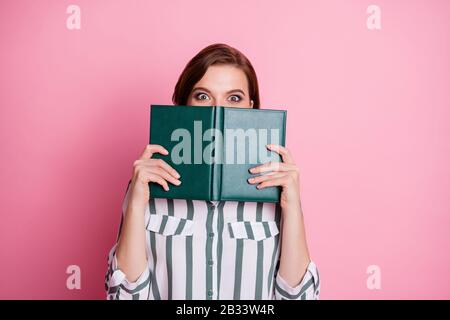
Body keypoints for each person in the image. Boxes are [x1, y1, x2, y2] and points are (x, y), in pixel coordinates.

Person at [105, 43, 320, 300]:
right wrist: (137, 204)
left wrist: (292, 206)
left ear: (251, 107)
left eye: (234, 98)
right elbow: (123, 297)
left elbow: (300, 298)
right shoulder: (148, 183)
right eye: (203, 96)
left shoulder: (276, 186)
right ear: (184, 105)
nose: (218, 110)